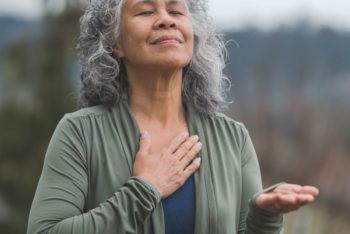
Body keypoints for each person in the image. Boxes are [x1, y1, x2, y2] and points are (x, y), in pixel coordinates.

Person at [27, 0, 319, 233]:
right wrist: (145, 189)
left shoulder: (233, 138)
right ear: (115, 43)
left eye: (176, 10)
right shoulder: (80, 133)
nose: (166, 19)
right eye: (145, 11)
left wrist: (264, 217)